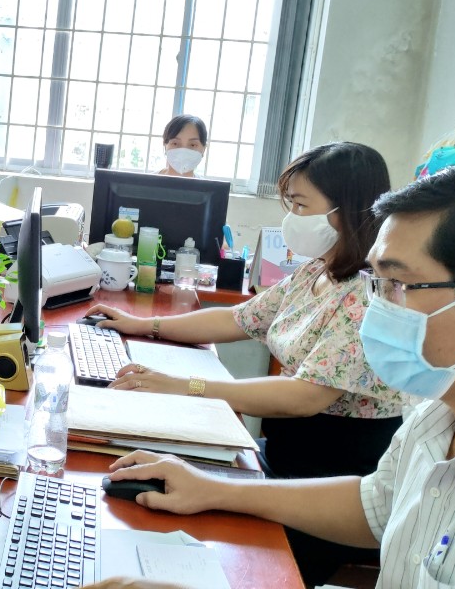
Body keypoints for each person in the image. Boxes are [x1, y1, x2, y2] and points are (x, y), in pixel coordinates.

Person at [87, 161, 455, 589]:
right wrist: (214, 488)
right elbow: (378, 504)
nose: (376, 307)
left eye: (397, 285)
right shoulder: (448, 400)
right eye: (377, 281)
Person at [90, 141, 405, 583]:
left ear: (345, 211)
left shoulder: (366, 295)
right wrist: (146, 325)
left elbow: (304, 396)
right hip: (283, 457)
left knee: (225, 554)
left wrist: (185, 386)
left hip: (333, 484)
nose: (291, 216)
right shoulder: (317, 271)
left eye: (301, 205)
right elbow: (237, 318)